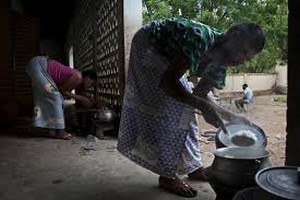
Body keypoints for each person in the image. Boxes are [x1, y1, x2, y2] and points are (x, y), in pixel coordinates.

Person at [117, 17, 265, 198]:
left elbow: (199, 95)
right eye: (243, 52)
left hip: (167, 60)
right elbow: (168, 83)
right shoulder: (199, 38)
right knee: (172, 111)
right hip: (149, 44)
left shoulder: (221, 64)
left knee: (186, 108)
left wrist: (233, 118)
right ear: (234, 36)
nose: (242, 61)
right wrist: (203, 106)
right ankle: (167, 175)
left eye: (247, 58)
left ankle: (193, 166)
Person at [26, 56, 97, 140]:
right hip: (38, 65)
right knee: (56, 98)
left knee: (45, 100)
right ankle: (61, 132)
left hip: (38, 66)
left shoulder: (78, 82)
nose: (90, 87)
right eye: (92, 84)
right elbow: (62, 91)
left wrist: (83, 100)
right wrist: (81, 99)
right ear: (88, 78)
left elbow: (65, 93)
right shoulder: (78, 77)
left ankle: (43, 128)